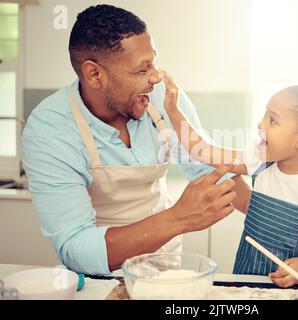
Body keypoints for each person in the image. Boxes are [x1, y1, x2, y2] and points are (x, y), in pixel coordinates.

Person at [21, 5, 237, 275]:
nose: (156, 77)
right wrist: (178, 218)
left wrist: (285, 224)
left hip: (166, 262)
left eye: (154, 63)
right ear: (94, 74)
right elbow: (75, 246)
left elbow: (209, 168)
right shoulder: (50, 129)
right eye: (141, 70)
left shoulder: (159, 99)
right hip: (101, 275)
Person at [162, 73, 298, 288]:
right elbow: (202, 151)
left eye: (272, 120)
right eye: (264, 115)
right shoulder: (258, 163)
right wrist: (173, 110)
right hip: (248, 286)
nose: (260, 123)